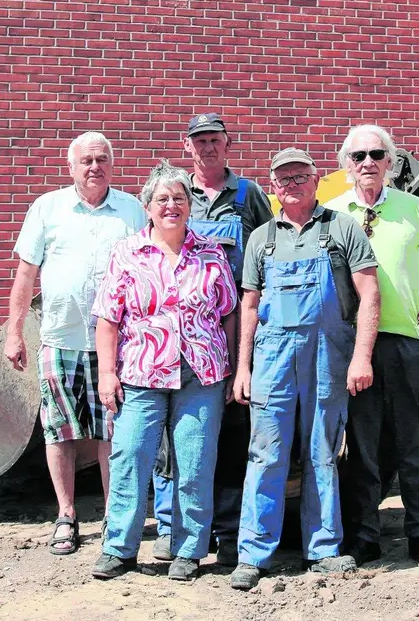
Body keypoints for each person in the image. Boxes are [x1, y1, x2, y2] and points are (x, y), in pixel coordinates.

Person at [228, 147, 381, 591]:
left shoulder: (341, 228)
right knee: (267, 451)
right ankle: (254, 554)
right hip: (272, 355)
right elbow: (250, 306)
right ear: (272, 187)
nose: (291, 185)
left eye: (300, 177)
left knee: (322, 450)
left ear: (316, 180)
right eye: (283, 179)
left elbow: (369, 294)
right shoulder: (262, 238)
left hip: (327, 352)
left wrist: (361, 356)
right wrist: (243, 367)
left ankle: (324, 548)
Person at [89, 161, 239, 582]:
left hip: (201, 374)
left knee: (194, 461)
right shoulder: (127, 252)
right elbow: (107, 318)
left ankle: (188, 551)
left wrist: (228, 367)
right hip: (140, 373)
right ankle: (120, 548)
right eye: (162, 199)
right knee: (130, 456)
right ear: (148, 207)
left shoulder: (210, 251)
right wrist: (107, 373)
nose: (171, 205)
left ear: (189, 206)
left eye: (178, 198)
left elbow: (227, 314)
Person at [3, 131, 146, 557]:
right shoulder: (48, 208)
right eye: (86, 160)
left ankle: (112, 516)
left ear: (112, 164)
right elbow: (25, 276)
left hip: (118, 343)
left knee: (113, 430)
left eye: (102, 159)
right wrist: (14, 332)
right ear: (71, 167)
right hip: (59, 338)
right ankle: (66, 515)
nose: (94, 167)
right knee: (60, 429)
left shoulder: (132, 211)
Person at [328, 124, 419, 571]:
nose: (368, 162)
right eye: (358, 155)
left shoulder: (414, 208)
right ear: (346, 164)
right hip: (352, 346)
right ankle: (364, 536)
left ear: (391, 162)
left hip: (409, 341)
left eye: (377, 155)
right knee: (362, 445)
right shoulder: (331, 213)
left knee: (415, 442)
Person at [151, 112, 274, 566]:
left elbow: (269, 246)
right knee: (173, 434)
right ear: (188, 147)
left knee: (230, 428)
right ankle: (170, 526)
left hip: (233, 325)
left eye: (214, 140)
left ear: (228, 143)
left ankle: (226, 529)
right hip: (178, 333)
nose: (207, 147)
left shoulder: (249, 194)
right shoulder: (176, 194)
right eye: (199, 140)